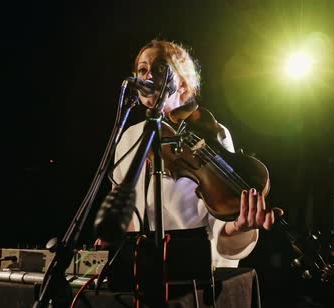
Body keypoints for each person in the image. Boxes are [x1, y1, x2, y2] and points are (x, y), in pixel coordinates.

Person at [106, 39, 278, 268]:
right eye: (142, 69)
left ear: (183, 85)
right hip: (140, 264)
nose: (148, 77)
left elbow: (220, 215)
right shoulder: (129, 136)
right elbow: (123, 206)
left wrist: (238, 226)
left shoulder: (211, 133)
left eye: (159, 69)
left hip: (194, 265)